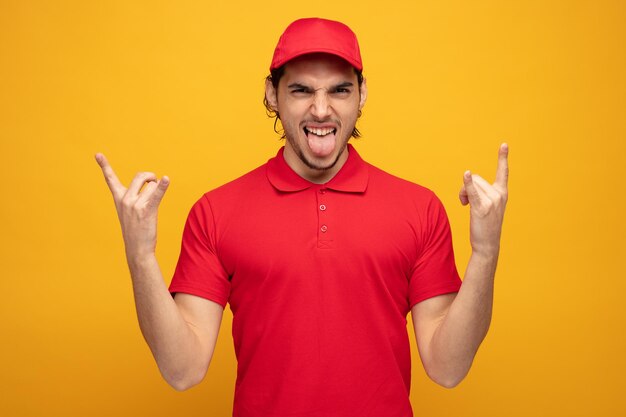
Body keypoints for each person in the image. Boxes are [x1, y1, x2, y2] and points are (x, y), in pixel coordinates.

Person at [96, 17, 508, 417]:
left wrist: (485, 253)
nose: (322, 109)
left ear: (361, 95)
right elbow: (181, 370)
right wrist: (140, 255)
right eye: (301, 90)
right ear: (273, 95)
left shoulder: (419, 208)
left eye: (340, 90)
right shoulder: (216, 211)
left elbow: (447, 367)